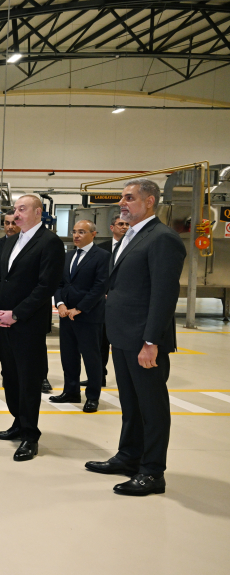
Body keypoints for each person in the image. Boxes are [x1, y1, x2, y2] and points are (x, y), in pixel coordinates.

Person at [85, 179, 185, 496]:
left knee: (152, 409)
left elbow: (164, 295)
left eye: (129, 198)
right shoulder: (132, 234)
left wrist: (151, 341)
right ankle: (129, 456)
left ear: (150, 201)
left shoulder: (162, 238)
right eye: (122, 198)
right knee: (130, 404)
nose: (122, 203)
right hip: (123, 336)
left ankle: (153, 472)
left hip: (144, 339)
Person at [0, 195, 65, 461]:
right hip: (5, 322)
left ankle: (30, 435)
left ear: (38, 212)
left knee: (28, 380)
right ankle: (18, 423)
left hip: (29, 324)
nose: (16, 214)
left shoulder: (50, 242)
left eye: (22, 209)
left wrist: (17, 314)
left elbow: (45, 286)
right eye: (15, 209)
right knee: (9, 375)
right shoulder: (11, 242)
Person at [0, 209, 53, 394]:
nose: (10, 226)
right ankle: (10, 378)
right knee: (7, 355)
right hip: (6, 309)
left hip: (30, 311)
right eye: (7, 222)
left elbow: (45, 283)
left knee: (34, 353)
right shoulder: (0, 246)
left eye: (14, 222)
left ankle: (42, 377)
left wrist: (18, 311)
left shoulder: (45, 242)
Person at [50, 220, 110, 413]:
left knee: (91, 357)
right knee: (68, 356)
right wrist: (60, 304)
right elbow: (59, 283)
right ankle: (71, 391)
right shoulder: (67, 256)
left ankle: (92, 396)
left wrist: (80, 308)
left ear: (93, 234)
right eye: (74, 232)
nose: (76, 235)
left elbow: (100, 287)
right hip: (66, 314)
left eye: (82, 232)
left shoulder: (102, 256)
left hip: (88, 316)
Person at [95, 215, 130, 385]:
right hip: (102, 301)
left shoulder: (134, 247)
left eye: (127, 224)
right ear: (112, 227)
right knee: (101, 341)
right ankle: (99, 376)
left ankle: (126, 377)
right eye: (120, 224)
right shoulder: (101, 249)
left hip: (123, 302)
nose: (124, 227)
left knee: (121, 341)